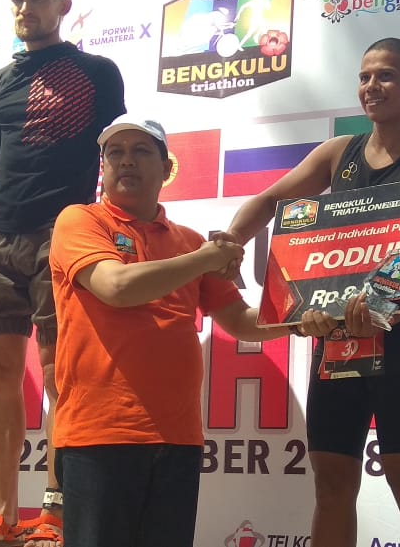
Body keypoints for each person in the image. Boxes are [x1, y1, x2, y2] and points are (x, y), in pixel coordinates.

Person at [222, 38, 400, 547]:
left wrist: (376, 308)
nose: (372, 86)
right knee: (331, 486)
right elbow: (270, 199)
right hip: (335, 348)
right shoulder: (337, 153)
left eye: (386, 76)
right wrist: (232, 241)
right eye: (364, 77)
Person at [0, 0, 125, 545]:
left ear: (63, 6)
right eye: (18, 0)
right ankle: (0, 515)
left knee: (56, 373)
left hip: (61, 234)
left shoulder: (96, 72)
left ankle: (55, 514)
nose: (25, 10)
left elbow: (119, 153)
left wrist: (116, 229)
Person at [49, 116, 291, 547]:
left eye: (140, 151)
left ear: (166, 169)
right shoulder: (79, 221)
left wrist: (301, 316)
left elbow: (240, 321)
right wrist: (205, 259)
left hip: (178, 439)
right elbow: (116, 287)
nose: (126, 161)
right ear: (103, 168)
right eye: (115, 153)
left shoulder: (191, 242)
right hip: (100, 434)